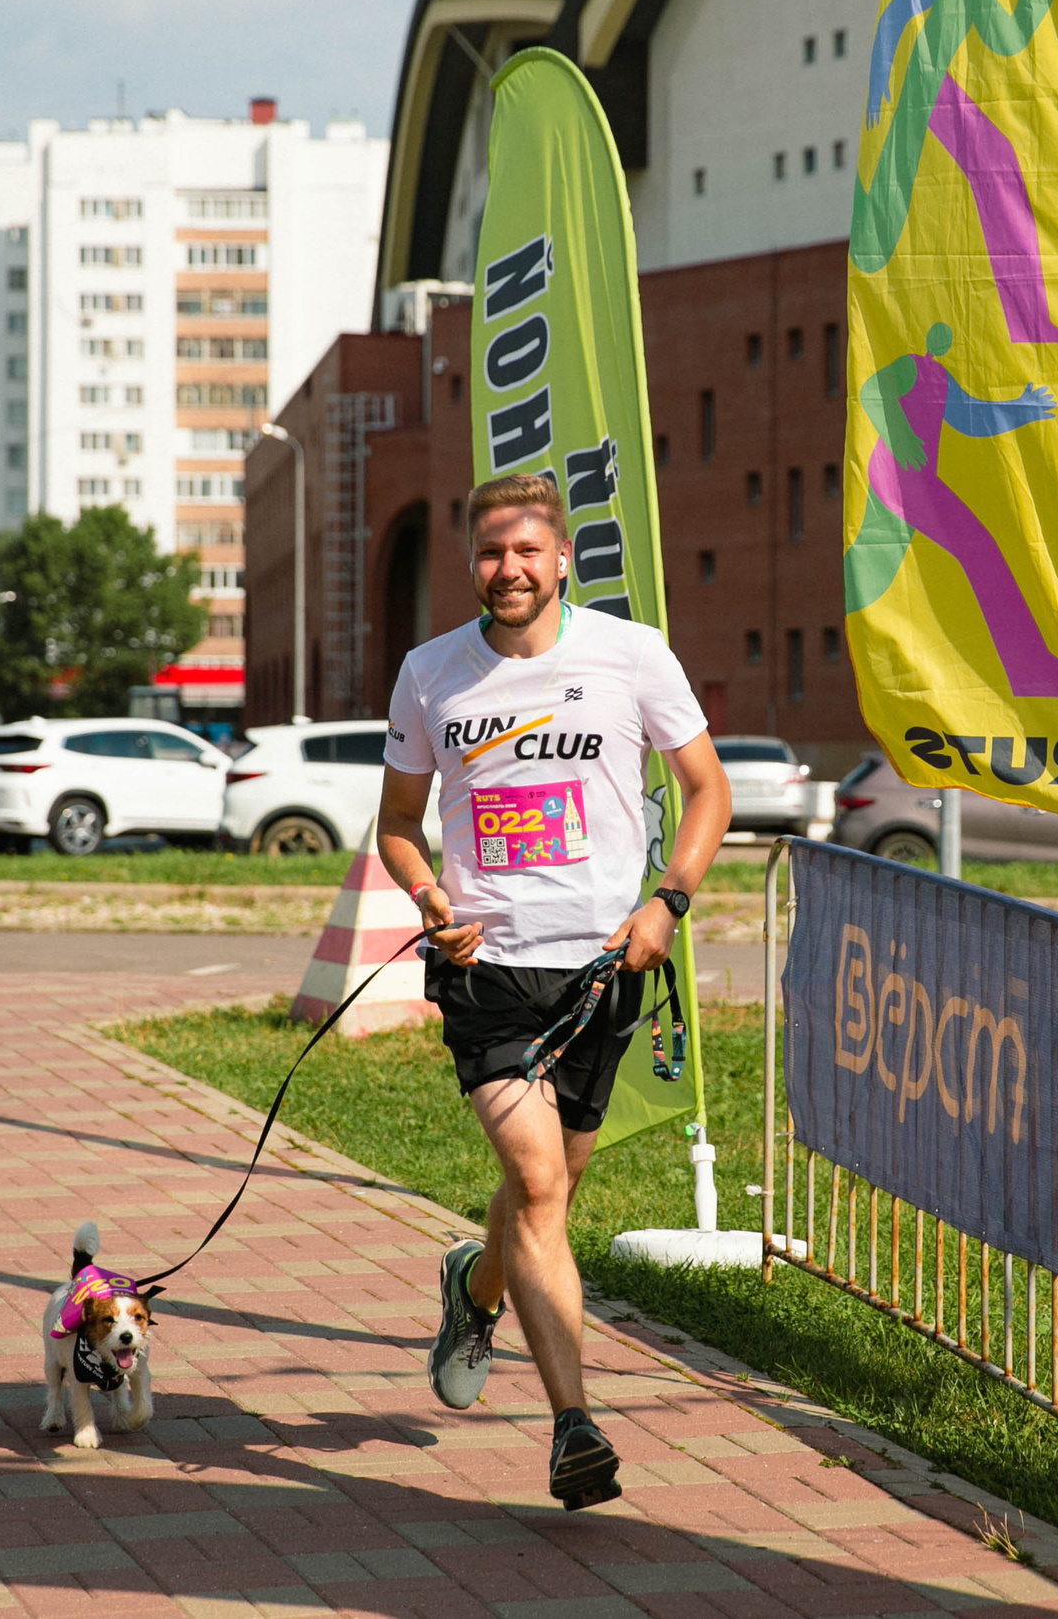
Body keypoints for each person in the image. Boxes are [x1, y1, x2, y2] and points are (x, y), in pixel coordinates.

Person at [376, 472, 730, 1511]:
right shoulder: (430, 674)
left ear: (562, 556)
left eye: (527, 549)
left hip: (604, 967)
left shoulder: (629, 654)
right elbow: (397, 824)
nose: (509, 569)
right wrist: (431, 896)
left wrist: (668, 902)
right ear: (471, 564)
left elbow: (707, 787)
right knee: (535, 1187)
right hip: (486, 973)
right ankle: (575, 1424)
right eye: (490, 553)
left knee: (550, 1187)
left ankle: (472, 1286)